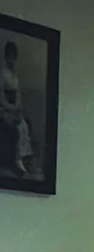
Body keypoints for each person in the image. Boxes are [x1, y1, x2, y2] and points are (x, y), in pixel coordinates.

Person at [0, 40, 32, 176]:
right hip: (3, 108)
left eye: (14, 57)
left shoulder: (15, 76)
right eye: (10, 57)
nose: (12, 60)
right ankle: (15, 161)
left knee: (24, 125)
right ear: (6, 57)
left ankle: (24, 159)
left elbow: (18, 94)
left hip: (14, 108)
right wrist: (11, 109)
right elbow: (1, 95)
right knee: (14, 126)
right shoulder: (2, 74)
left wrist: (18, 109)